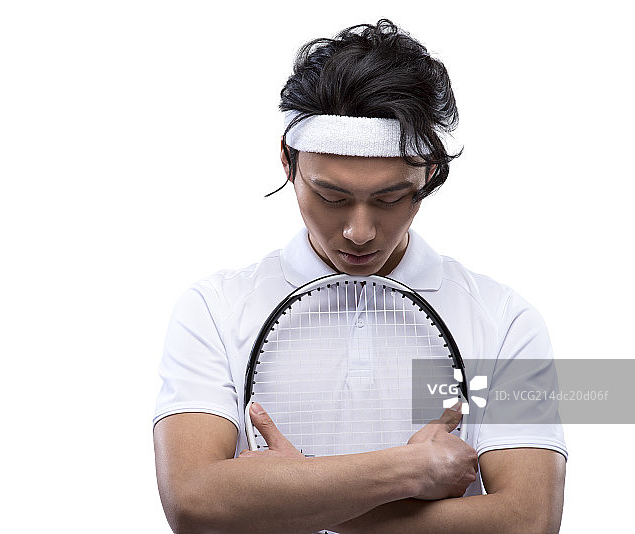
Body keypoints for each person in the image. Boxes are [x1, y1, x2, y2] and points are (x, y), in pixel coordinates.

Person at [153, 20, 566, 534]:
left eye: (391, 198)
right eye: (332, 197)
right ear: (287, 161)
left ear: (430, 175)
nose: (359, 231)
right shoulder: (213, 308)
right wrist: (409, 471)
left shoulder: (505, 319)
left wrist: (293, 501)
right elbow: (193, 503)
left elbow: (527, 519)